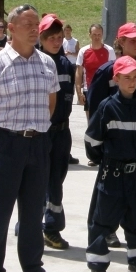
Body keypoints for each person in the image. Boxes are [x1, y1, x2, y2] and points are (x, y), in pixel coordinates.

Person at [0, 4, 62, 272]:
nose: (35, 29)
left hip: (38, 144)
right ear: (11, 29)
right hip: (5, 145)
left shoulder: (47, 64)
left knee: (33, 214)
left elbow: (50, 104)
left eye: (37, 24)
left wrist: (33, 134)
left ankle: (33, 271)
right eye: (27, 24)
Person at [84, 56, 136, 272]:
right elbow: (92, 142)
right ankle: (98, 267)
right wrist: (107, 161)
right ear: (116, 79)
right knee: (102, 220)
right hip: (112, 174)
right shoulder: (107, 107)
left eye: (135, 77)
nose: (132, 82)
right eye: (127, 78)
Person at [38, 14, 76, 250]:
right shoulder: (34, 63)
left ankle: (43, 225)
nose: (56, 42)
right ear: (41, 39)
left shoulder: (66, 65)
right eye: (51, 38)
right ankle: (45, 227)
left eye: (59, 37)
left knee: (56, 181)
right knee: (38, 181)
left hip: (62, 132)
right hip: (41, 133)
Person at [75, 24, 116, 123]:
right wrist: (79, 93)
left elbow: (114, 71)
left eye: (99, 35)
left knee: (106, 121)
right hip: (89, 90)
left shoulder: (109, 50)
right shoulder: (83, 51)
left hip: (106, 91)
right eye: (94, 34)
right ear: (89, 35)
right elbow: (79, 73)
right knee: (91, 121)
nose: (97, 37)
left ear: (102, 35)